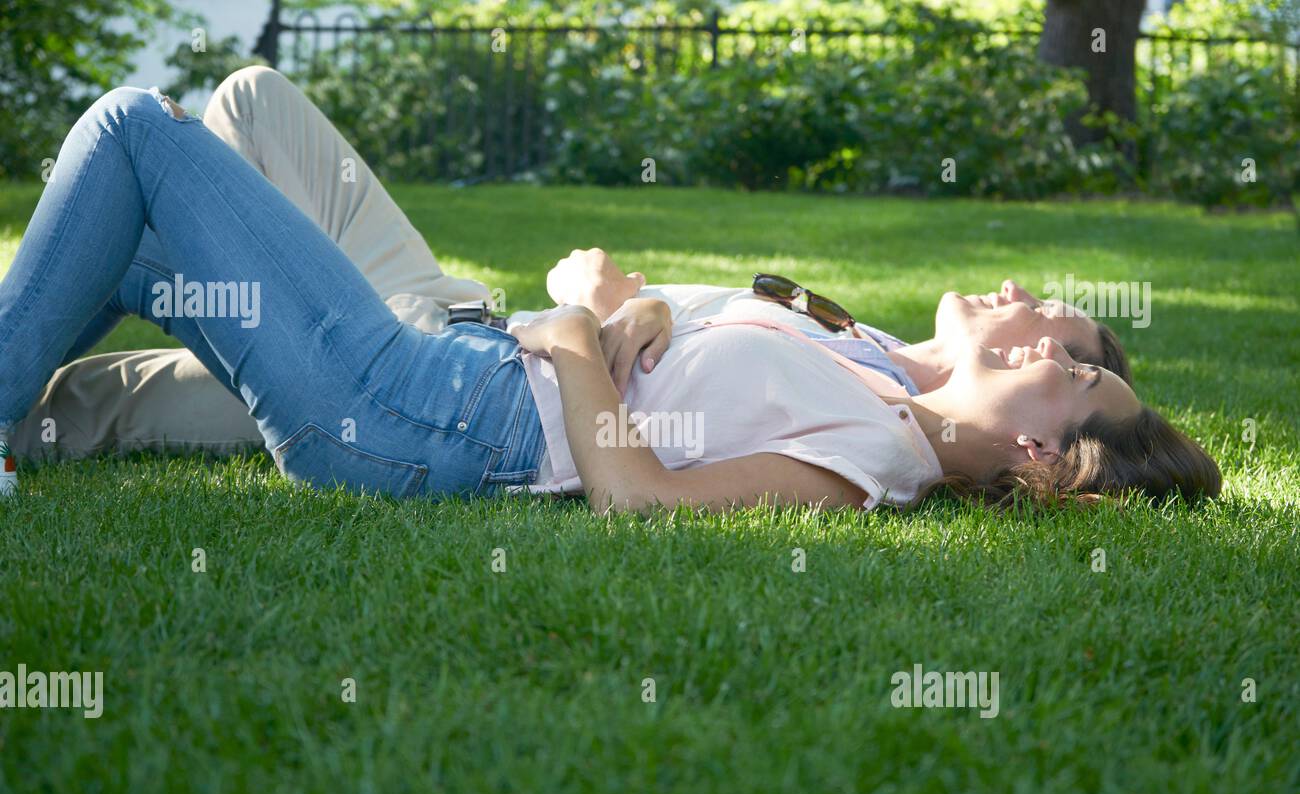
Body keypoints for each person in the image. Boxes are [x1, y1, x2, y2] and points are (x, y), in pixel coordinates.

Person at [0, 85, 1220, 512]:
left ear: (1039, 451)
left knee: (133, 137)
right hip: (449, 381)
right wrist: (642, 314)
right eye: (1075, 360)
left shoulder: (876, 453)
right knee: (145, 220)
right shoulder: (874, 390)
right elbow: (679, 389)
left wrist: (579, 329)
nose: (1050, 347)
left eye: (1072, 372)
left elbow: (636, 498)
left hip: (424, 412)